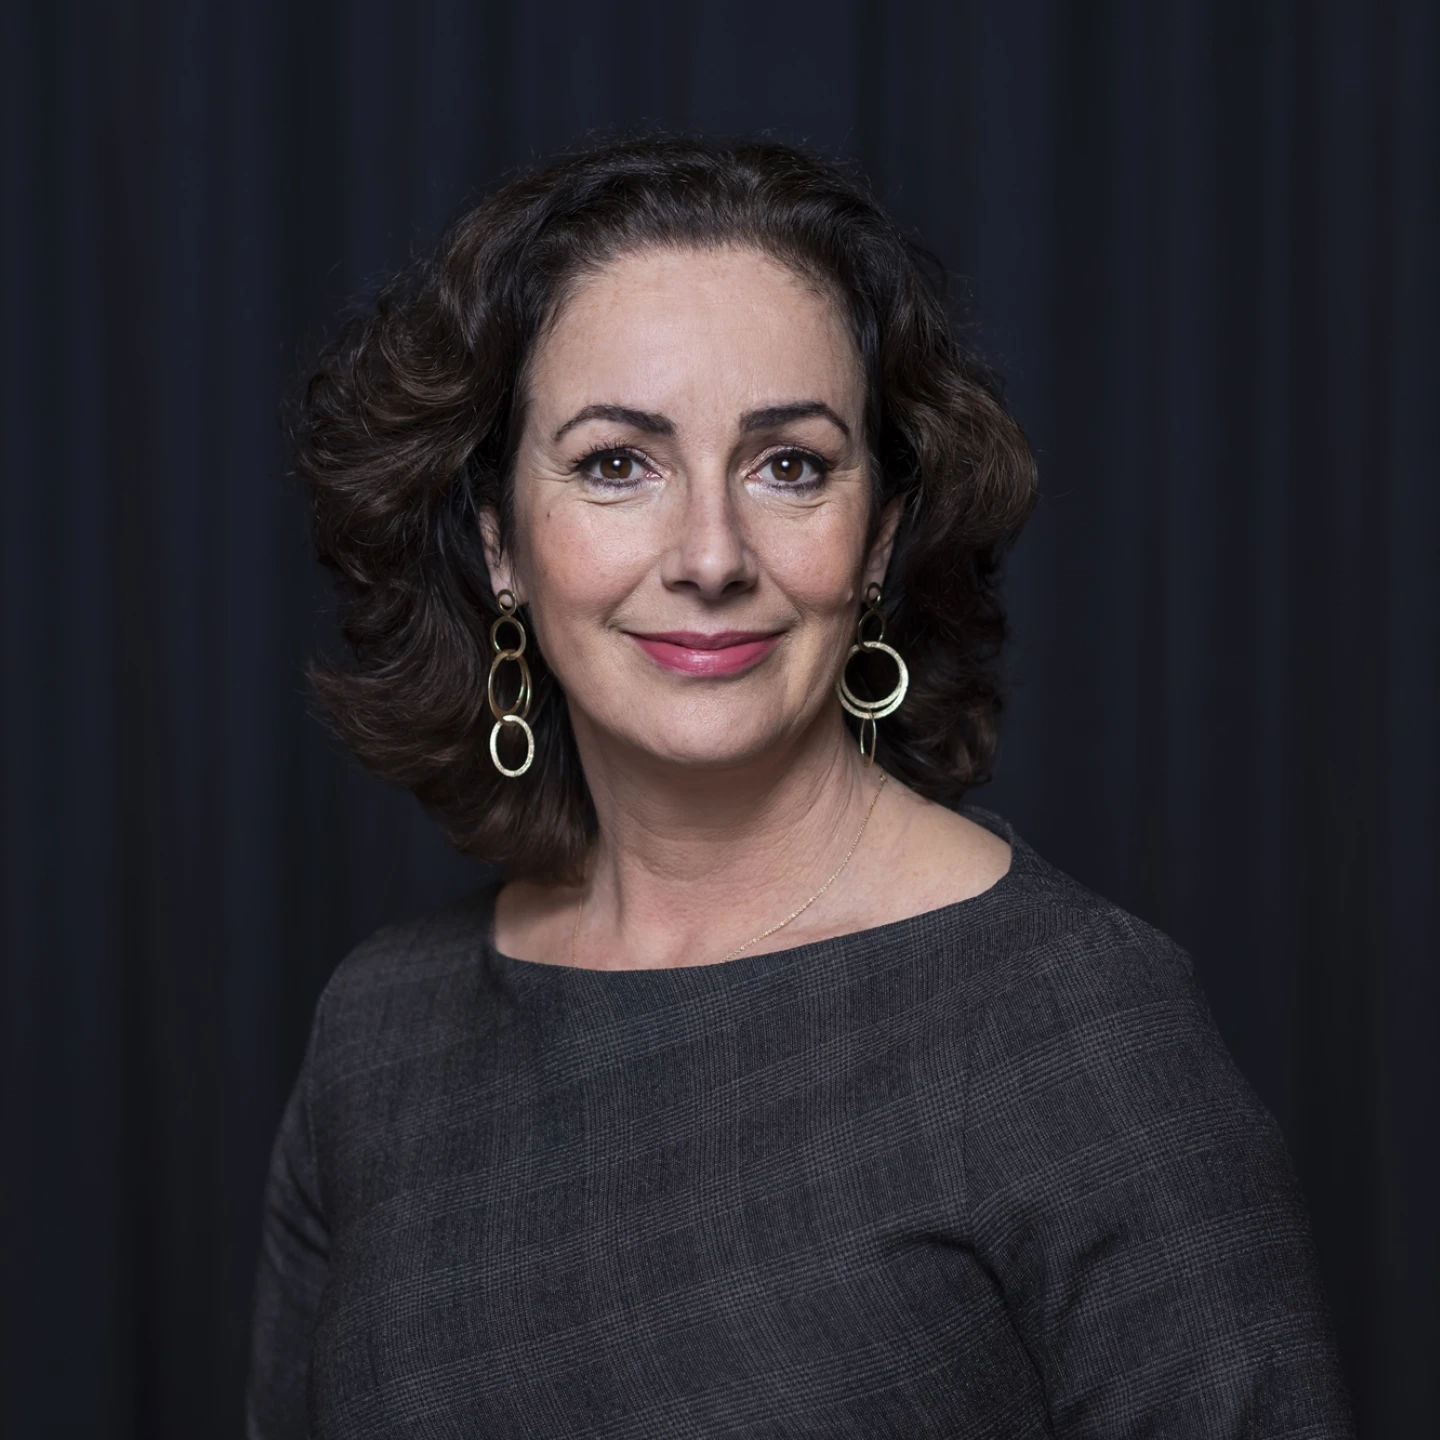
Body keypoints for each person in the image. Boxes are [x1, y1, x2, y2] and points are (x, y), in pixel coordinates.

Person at [247, 136, 1354, 1439]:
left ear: (878, 536)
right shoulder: (381, 1033)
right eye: (617, 463)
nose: (711, 555)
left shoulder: (1077, 1026)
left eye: (790, 465)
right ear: (500, 543)